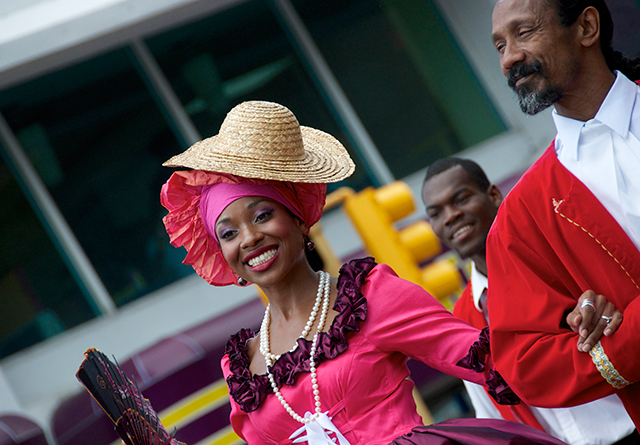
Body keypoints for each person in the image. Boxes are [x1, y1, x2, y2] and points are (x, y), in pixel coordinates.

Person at [159, 100, 567, 444]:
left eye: (263, 215)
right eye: (228, 232)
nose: (248, 238)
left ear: (300, 220)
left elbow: (495, 359)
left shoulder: (370, 296)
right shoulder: (241, 369)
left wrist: (569, 319)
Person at [488, 0, 640, 430]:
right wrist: (601, 334)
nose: (509, 58)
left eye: (524, 33)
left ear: (587, 26)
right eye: (499, 45)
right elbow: (527, 362)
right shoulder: (521, 218)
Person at [422, 157, 637, 444]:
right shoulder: (463, 317)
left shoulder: (555, 258)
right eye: (435, 213)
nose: (450, 216)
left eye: (460, 199)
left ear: (494, 195)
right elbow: (492, 418)